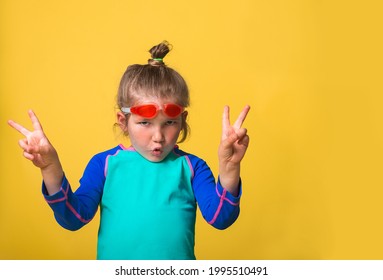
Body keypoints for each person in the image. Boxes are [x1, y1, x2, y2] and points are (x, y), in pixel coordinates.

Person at [8, 41, 250, 260]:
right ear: (123, 121)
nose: (158, 137)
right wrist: (50, 168)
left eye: (169, 123)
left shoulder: (192, 167)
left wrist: (230, 167)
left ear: (182, 119)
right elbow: (73, 218)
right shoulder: (104, 164)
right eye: (144, 123)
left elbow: (220, 218)